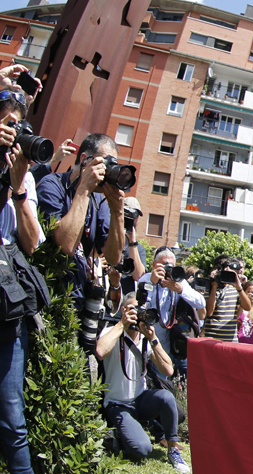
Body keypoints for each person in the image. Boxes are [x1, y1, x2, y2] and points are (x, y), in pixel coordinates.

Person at [0, 85, 51, 474]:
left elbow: (32, 243)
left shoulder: (23, 177)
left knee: (12, 411)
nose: (13, 133)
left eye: (17, 126)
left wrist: (17, 182)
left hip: (6, 300)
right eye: (6, 123)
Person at [95, 293, 190, 472]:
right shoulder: (111, 330)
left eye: (142, 312)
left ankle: (172, 450)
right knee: (142, 449)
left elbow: (168, 371)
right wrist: (121, 324)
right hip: (118, 403)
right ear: (124, 311)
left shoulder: (145, 338)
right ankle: (119, 434)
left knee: (166, 397)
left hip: (140, 400)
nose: (139, 315)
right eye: (134, 310)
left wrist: (154, 340)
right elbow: (100, 351)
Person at [36, 133, 125, 311]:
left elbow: (113, 257)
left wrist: (118, 212)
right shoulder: (52, 185)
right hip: (47, 296)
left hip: (76, 301)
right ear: (84, 159)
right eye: (105, 163)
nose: (107, 172)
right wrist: (84, 188)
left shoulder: (98, 201)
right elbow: (67, 245)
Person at [139, 247, 205, 379]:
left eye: (171, 266)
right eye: (164, 265)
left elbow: (201, 303)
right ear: (154, 265)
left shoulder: (178, 281)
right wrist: (152, 283)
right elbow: (139, 304)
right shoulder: (145, 280)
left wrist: (181, 291)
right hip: (149, 345)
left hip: (171, 345)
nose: (168, 269)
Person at [203, 256, 252, 342]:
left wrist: (239, 287)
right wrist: (214, 285)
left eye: (228, 267)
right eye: (223, 268)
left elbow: (247, 307)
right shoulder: (209, 288)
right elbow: (209, 313)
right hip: (211, 339)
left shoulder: (234, 288)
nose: (226, 270)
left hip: (231, 340)